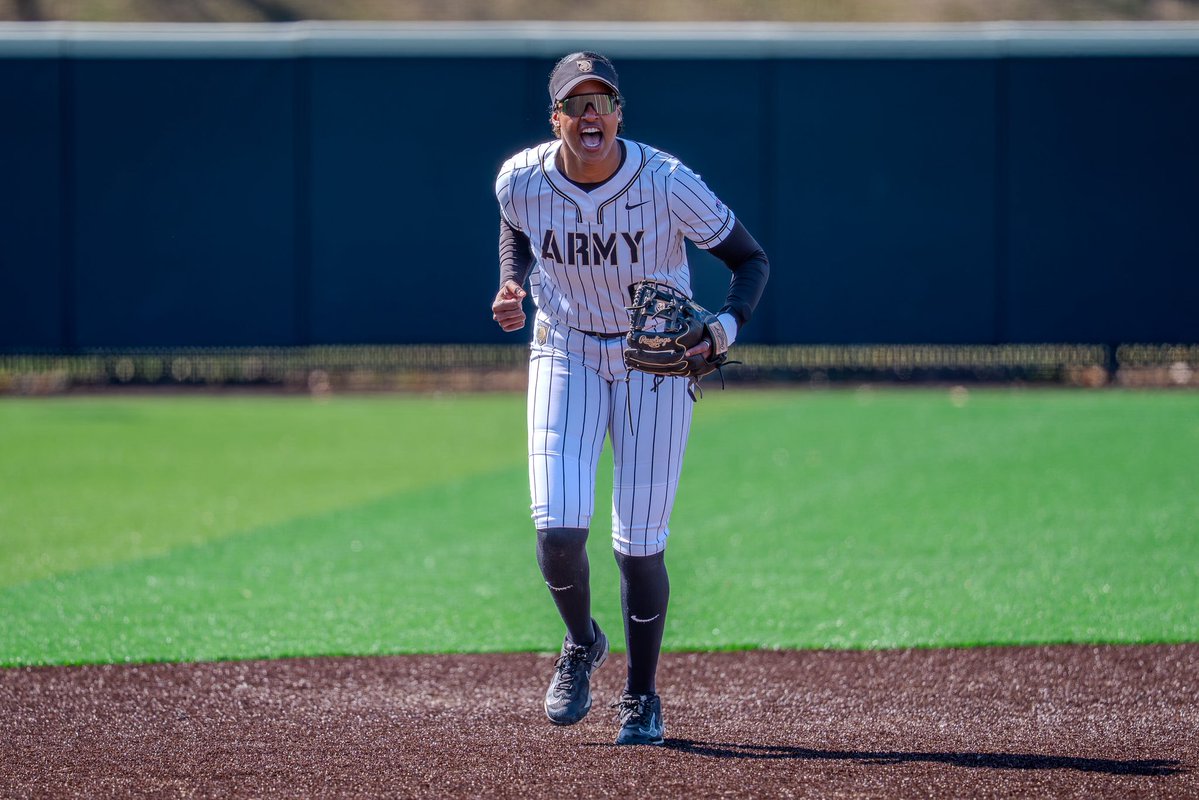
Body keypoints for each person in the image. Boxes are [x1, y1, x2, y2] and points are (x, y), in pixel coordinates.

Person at [491, 51, 769, 746]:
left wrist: (722, 326)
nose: (590, 115)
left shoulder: (667, 182)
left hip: (654, 360)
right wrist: (512, 283)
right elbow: (518, 226)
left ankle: (641, 697)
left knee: (637, 545)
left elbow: (749, 259)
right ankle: (582, 641)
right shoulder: (520, 179)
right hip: (565, 347)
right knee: (556, 533)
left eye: (601, 102)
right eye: (575, 104)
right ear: (555, 118)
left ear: (618, 114)